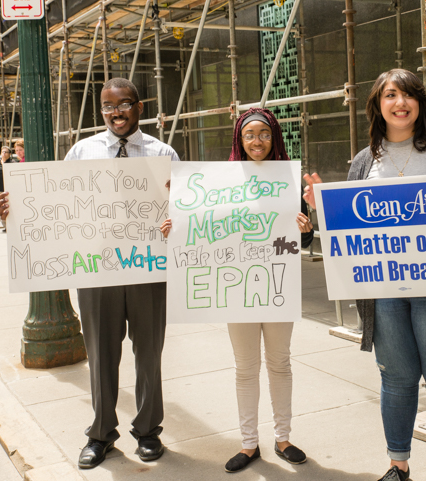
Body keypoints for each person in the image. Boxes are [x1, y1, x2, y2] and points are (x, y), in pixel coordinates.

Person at [304, 69, 426, 481]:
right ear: (378, 104)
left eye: (408, 95)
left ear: (419, 103)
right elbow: (348, 233)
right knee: (396, 378)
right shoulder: (365, 161)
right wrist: (323, 210)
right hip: (383, 292)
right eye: (390, 95)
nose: (400, 103)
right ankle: (397, 465)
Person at [0, 77, 180, 469]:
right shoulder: (82, 151)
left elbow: (184, 207)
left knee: (149, 354)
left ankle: (148, 432)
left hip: (148, 269)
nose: (116, 113)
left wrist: (177, 220)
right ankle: (101, 435)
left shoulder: (164, 153)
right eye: (108, 107)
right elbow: (54, 203)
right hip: (96, 271)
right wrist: (17, 210)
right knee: (100, 355)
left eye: (124, 104)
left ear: (139, 107)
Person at [160, 107, 314, 473]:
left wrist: (305, 228)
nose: (257, 141)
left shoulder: (287, 180)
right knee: (245, 368)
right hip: (237, 289)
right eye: (249, 135)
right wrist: (175, 228)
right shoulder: (220, 181)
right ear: (239, 140)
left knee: (280, 363)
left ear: (274, 137)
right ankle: (248, 444)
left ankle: (283, 437)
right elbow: (200, 228)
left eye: (263, 134)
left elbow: (301, 242)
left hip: (276, 285)